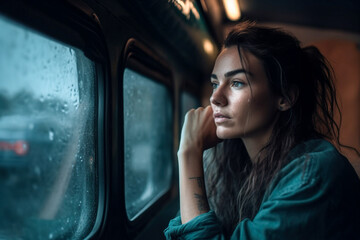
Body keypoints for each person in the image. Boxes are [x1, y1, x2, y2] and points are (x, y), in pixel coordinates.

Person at [164, 21, 360, 239]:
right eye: (214, 84)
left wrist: (189, 154)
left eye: (237, 82)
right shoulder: (240, 167)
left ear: (285, 97)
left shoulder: (313, 174)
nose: (215, 98)